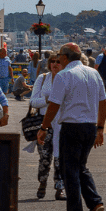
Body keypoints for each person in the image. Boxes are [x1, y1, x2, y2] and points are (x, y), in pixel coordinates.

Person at [42, 43, 106, 211]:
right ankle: (94, 203)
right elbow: (103, 102)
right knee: (80, 167)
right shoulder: (94, 73)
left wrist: (44, 127)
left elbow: (53, 105)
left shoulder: (64, 76)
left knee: (69, 170)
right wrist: (100, 128)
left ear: (64, 57)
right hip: (90, 126)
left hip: (72, 126)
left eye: (59, 56)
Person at [30, 53, 66, 200]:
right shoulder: (42, 78)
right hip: (45, 124)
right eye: (53, 62)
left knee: (60, 159)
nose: (55, 65)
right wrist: (49, 99)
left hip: (62, 125)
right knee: (44, 158)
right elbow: (33, 102)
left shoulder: (67, 79)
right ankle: (42, 183)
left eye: (58, 62)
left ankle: (60, 187)